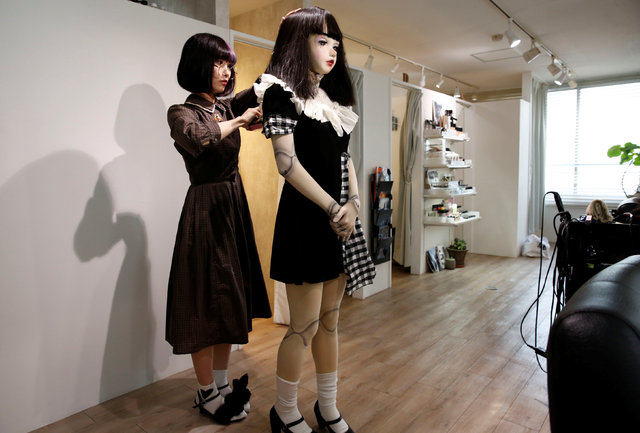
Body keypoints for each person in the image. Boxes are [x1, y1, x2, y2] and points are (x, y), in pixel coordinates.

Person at [254, 7, 376, 433]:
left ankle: (328, 406)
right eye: (322, 41)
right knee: (302, 327)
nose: (332, 50)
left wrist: (354, 205)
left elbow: (346, 159)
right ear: (297, 41)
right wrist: (333, 208)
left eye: (335, 43)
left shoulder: (332, 101)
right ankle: (285, 411)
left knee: (330, 323)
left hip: (338, 223)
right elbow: (286, 164)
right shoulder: (278, 92)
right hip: (305, 223)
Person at [165, 33, 272, 424]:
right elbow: (201, 138)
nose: (226, 72)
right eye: (218, 63)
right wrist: (240, 121)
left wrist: (285, 51)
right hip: (205, 210)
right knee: (204, 302)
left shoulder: (225, 106)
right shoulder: (181, 112)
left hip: (232, 206)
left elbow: (259, 87)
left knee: (230, 299)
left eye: (229, 64)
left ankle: (223, 385)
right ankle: (205, 390)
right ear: (198, 65)